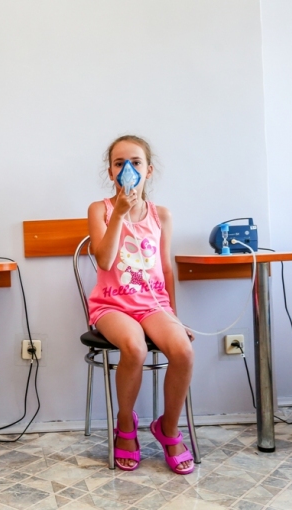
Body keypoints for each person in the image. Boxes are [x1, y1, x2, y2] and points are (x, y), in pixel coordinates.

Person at [86, 135, 195, 474]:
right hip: (112, 305)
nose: (127, 169)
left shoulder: (161, 215)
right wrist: (119, 214)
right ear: (110, 172)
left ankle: (169, 430)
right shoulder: (100, 210)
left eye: (135, 162)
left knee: (183, 351)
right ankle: (125, 425)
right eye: (119, 163)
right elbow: (104, 261)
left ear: (148, 170)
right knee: (134, 348)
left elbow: (165, 269)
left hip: (153, 304)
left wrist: (174, 316)